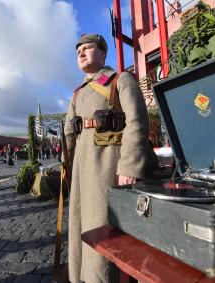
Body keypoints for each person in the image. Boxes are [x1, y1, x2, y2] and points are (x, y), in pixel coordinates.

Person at [64, 34, 150, 283]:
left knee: (101, 223)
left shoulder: (119, 79)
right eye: (78, 49)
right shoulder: (77, 93)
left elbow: (137, 120)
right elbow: (70, 130)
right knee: (80, 220)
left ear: (103, 53)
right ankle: (80, 276)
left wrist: (130, 164)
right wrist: (66, 166)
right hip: (82, 164)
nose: (81, 52)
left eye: (87, 48)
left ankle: (99, 278)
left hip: (107, 162)